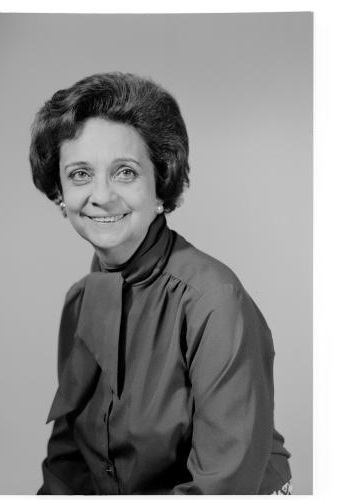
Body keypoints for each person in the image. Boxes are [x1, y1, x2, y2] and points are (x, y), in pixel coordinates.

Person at [30, 72, 292, 495]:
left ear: (161, 186)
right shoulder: (78, 302)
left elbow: (223, 483)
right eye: (80, 174)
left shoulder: (212, 299)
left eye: (125, 172)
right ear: (59, 193)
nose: (101, 195)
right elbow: (68, 461)